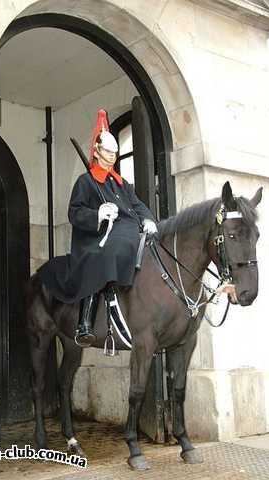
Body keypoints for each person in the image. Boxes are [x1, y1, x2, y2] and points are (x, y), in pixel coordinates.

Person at [68, 110, 157, 347]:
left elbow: (138, 206)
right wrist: (98, 213)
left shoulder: (122, 183)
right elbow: (74, 213)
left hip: (130, 231)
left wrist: (148, 219)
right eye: (108, 152)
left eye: (115, 153)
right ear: (96, 151)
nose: (113, 157)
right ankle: (84, 323)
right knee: (112, 249)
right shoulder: (85, 182)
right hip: (99, 237)